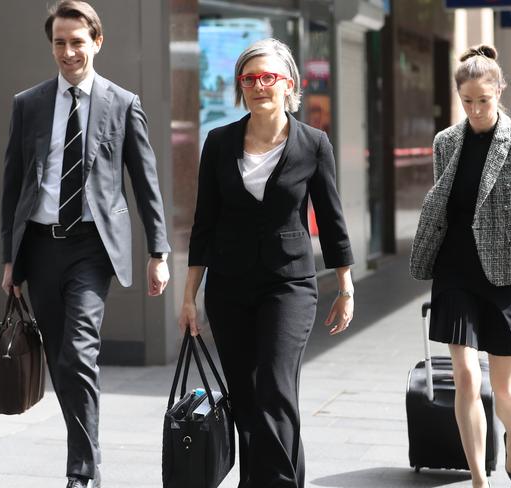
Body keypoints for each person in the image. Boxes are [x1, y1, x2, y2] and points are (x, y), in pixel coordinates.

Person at [0, 2, 171, 487]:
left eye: (78, 41)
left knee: (78, 351)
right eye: (60, 42)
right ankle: (89, 458)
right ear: (51, 45)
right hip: (39, 245)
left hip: (93, 248)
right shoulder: (28, 104)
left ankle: (82, 471)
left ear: (97, 41)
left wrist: (158, 252)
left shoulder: (123, 103)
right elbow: (11, 187)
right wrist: (9, 259)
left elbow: (146, 183)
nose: (69, 51)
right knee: (59, 358)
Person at [179, 38, 354, 488]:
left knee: (275, 388)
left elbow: (332, 221)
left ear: (289, 84)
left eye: (269, 77)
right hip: (229, 287)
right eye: (250, 78)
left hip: (289, 285)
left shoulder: (313, 144)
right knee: (245, 397)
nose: (259, 85)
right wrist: (189, 296)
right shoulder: (218, 142)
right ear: (241, 87)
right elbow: (204, 223)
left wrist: (345, 286)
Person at [410, 45, 511, 488]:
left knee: (507, 389)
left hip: (509, 272)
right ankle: (478, 479)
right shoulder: (446, 142)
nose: (474, 110)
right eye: (467, 101)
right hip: (455, 271)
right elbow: (445, 205)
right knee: (466, 375)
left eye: (483, 101)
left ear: (499, 93)